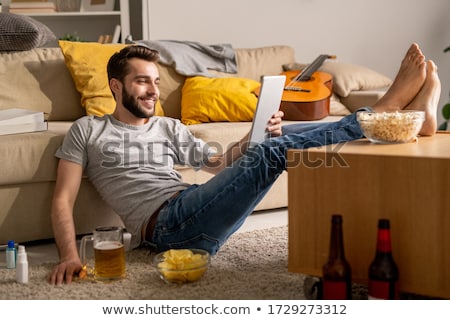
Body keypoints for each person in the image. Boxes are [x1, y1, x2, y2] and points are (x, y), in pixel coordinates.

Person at [48, 43, 440, 285]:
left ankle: (403, 123)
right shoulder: (87, 130)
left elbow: (218, 166)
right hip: (165, 229)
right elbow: (63, 200)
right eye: (141, 82)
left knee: (269, 146)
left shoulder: (167, 126)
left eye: (155, 81)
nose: (153, 90)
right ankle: (384, 114)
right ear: (116, 86)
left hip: (194, 210)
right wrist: (69, 255)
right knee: (272, 153)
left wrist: (250, 138)